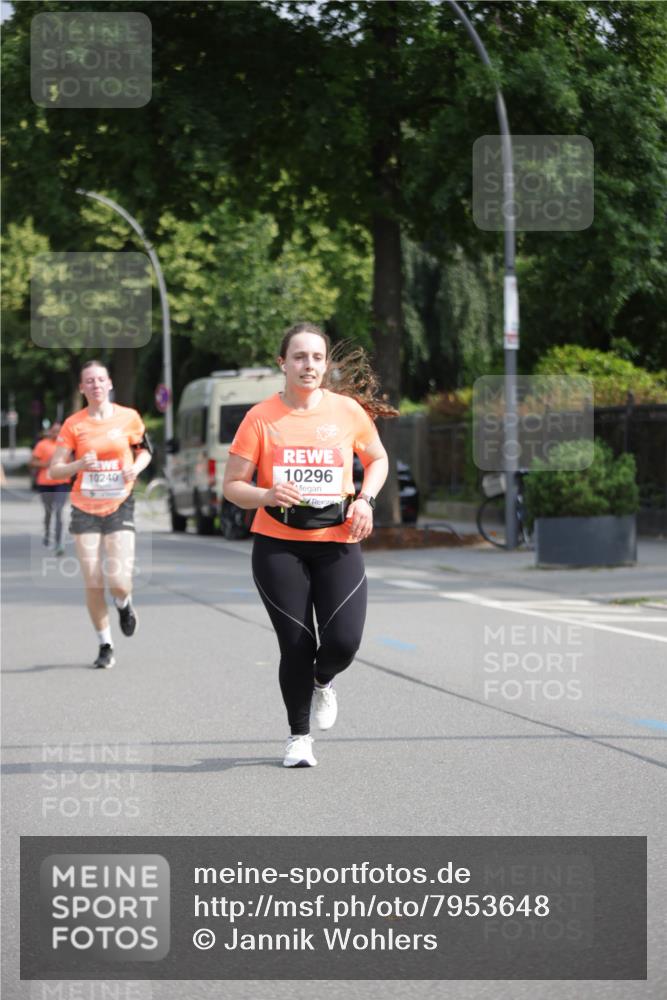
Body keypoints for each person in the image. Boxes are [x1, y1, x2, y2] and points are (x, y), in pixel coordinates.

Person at [223, 322, 394, 768]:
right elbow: (231, 486)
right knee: (295, 644)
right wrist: (264, 495)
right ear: (283, 363)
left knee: (343, 642)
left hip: (337, 540)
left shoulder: (347, 411)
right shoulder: (260, 418)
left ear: (326, 364)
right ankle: (299, 737)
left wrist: (366, 500)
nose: (309, 366)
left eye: (317, 358)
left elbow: (376, 459)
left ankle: (324, 680)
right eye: (299, 357)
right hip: (278, 545)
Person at [49, 360, 152, 670]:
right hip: (84, 507)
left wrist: (135, 467)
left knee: (119, 580)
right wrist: (78, 466)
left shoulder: (129, 417)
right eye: (89, 381)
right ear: (82, 388)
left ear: (109, 384)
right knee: (93, 581)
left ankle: (124, 603)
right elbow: (54, 469)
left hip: (120, 503)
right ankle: (105, 644)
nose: (95, 385)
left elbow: (145, 450)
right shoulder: (73, 425)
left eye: (100, 379)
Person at [30, 422, 70, 556]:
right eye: (54, 431)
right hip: (45, 483)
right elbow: (32, 462)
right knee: (48, 512)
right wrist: (45, 464)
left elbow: (73, 462)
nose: (56, 434)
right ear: (50, 432)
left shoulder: (66, 445)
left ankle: (59, 542)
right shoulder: (42, 444)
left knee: (59, 512)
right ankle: (47, 533)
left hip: (62, 483)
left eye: (59, 431)